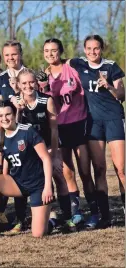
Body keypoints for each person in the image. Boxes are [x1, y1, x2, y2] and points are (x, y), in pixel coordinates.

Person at [0, 100, 53, 240]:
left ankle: (52, 220)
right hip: (17, 184)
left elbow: (46, 159)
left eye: (8, 114)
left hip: (38, 185)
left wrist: (48, 187)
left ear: (14, 114)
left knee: (38, 234)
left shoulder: (27, 131)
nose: (4, 119)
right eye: (0, 116)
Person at [69, 35, 125, 227]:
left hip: (114, 119)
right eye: (89, 48)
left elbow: (121, 95)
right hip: (93, 122)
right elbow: (58, 64)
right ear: (84, 49)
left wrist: (108, 85)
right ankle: (105, 216)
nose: (93, 52)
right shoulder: (78, 64)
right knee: (99, 169)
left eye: (96, 48)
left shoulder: (111, 66)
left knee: (120, 169)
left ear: (102, 49)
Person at [42, 38, 98, 228]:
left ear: (61, 51)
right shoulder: (45, 75)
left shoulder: (72, 67)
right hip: (60, 128)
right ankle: (75, 211)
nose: (50, 54)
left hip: (79, 123)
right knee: (68, 173)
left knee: (84, 171)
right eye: (47, 51)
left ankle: (95, 211)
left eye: (54, 50)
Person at [15, 68, 76, 232]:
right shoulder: (14, 102)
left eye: (31, 82)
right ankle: (20, 219)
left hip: (47, 146)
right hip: (25, 150)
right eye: (24, 83)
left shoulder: (46, 100)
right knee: (21, 179)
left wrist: (55, 155)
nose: (28, 86)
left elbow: (54, 129)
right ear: (19, 85)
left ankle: (68, 217)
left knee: (59, 176)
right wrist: (18, 110)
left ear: (36, 83)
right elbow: (12, 127)